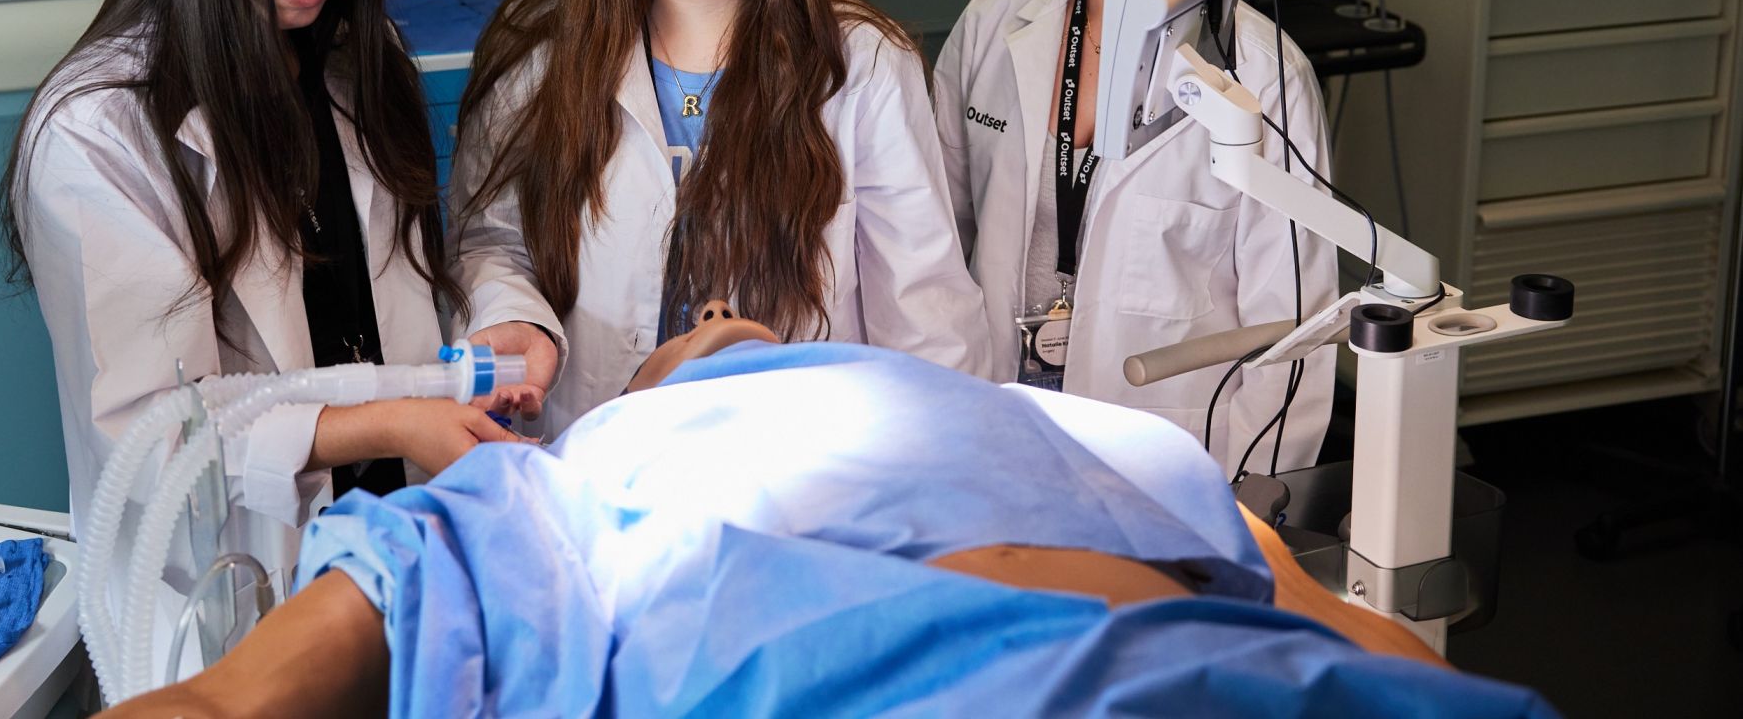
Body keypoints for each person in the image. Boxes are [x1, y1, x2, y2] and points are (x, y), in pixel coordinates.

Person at [97, 322, 1556, 719]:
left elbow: (1320, 615)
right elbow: (234, 695)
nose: (717, 322)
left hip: (1161, 658)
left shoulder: (1012, 412)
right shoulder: (569, 468)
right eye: (694, 330)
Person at [0, 0, 519, 659]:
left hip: (392, 549)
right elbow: (157, 436)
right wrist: (396, 419)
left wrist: (470, 370)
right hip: (228, 590)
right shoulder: (99, 131)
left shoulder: (359, 64)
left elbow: (393, 311)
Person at [451, 0, 988, 437]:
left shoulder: (862, 67)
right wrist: (514, 315)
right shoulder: (541, 47)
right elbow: (491, 240)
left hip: (796, 469)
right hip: (594, 460)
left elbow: (929, 328)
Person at [936, 0, 1336, 475]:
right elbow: (934, 244)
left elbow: (1293, 327)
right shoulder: (995, 21)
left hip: (1166, 446)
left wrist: (1252, 501)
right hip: (998, 416)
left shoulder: (1266, 78)